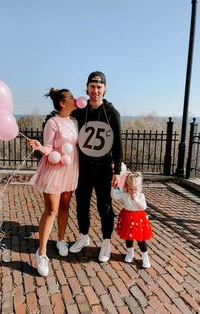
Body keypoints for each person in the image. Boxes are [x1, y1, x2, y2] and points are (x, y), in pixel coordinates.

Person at [69, 71, 123, 262]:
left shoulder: (112, 114)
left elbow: (118, 145)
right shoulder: (79, 112)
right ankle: (83, 236)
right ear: (87, 87)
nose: (95, 90)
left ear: (105, 89)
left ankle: (106, 242)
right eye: (92, 86)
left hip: (102, 169)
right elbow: (63, 120)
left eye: (99, 87)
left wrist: (116, 171)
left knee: (105, 207)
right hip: (82, 168)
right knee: (82, 204)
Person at [28, 88, 79, 276]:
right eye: (71, 97)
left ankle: (61, 239)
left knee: (65, 205)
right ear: (62, 103)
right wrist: (40, 147)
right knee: (51, 210)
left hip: (70, 168)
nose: (75, 99)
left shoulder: (74, 121)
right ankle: (41, 253)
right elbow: (48, 147)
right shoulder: (53, 122)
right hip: (55, 169)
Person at [113, 172, 153, 268]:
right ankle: (130, 253)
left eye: (135, 189)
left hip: (138, 219)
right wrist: (118, 184)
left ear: (139, 188)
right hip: (127, 218)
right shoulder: (125, 194)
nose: (133, 191)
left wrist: (136, 199)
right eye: (131, 189)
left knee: (141, 239)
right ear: (127, 187)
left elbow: (143, 207)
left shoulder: (140, 196)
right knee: (128, 237)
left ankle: (145, 257)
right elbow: (115, 196)